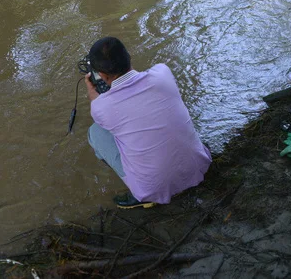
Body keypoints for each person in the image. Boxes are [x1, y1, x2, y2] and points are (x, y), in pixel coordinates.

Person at [84, 37, 212, 209]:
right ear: (129, 57)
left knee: (96, 133)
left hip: (153, 189)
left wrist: (94, 98)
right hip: (199, 165)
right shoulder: (162, 73)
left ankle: (142, 194)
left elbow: (105, 120)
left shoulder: (101, 107)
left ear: (103, 75)